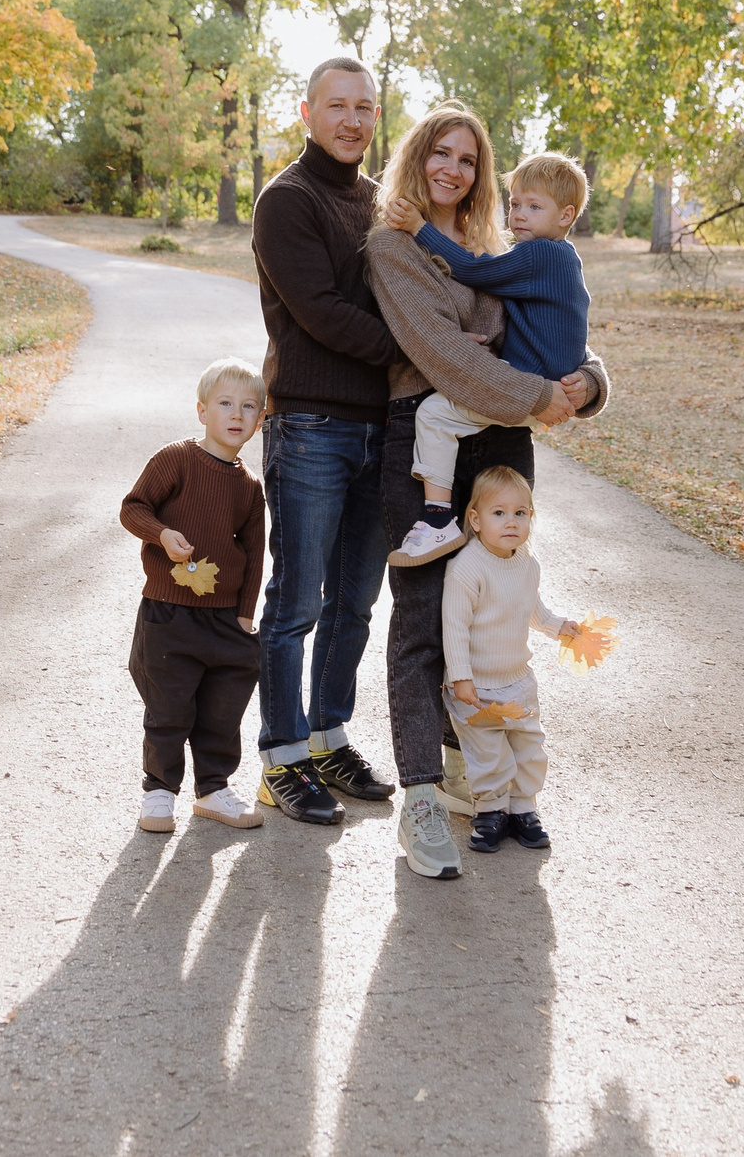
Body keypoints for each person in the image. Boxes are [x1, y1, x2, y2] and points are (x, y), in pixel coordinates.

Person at [366, 104, 606, 880]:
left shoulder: (504, 247)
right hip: (428, 433)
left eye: (468, 159)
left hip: (501, 439)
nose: (453, 170)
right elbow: (445, 357)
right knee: (425, 624)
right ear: (417, 159)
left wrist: (591, 381)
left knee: (495, 611)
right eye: (440, 153)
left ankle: (479, 772)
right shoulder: (394, 245)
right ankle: (424, 798)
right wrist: (539, 392)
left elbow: (558, 331)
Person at [248, 58, 402, 826]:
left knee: (354, 602)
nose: (351, 120)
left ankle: (327, 734)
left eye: (365, 108)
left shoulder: (381, 204)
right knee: (296, 600)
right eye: (337, 106)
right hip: (310, 425)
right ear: (307, 112)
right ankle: (281, 756)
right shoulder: (287, 200)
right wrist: (417, 352)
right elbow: (323, 314)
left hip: (382, 430)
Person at [384, 152, 592, 564]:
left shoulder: (540, 254)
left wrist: (419, 227)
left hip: (527, 387)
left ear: (566, 216)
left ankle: (437, 520)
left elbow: (473, 269)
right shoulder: (564, 258)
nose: (519, 215)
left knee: (434, 415)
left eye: (535, 207)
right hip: (541, 386)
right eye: (515, 204)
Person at [118, 357, 270, 833]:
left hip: (225, 619)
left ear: (260, 421)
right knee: (169, 708)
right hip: (170, 614)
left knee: (223, 710)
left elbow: (254, 552)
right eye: (225, 403)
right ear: (202, 411)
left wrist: (247, 613)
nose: (236, 414)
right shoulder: (175, 460)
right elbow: (132, 508)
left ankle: (214, 788)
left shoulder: (248, 487)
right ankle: (159, 792)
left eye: (249, 407)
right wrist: (161, 535)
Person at [441, 466, 577, 854]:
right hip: (476, 686)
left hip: (517, 682)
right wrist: (460, 676)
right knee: (488, 754)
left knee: (528, 747)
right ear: (476, 519)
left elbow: (532, 609)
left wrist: (557, 626)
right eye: (498, 513)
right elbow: (454, 626)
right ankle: (489, 811)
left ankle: (523, 809)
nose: (511, 522)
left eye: (521, 513)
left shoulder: (527, 565)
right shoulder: (467, 567)